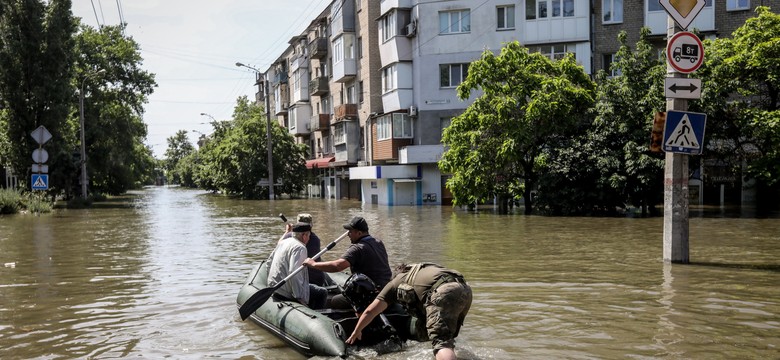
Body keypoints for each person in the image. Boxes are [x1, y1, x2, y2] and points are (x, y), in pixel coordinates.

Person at [345, 263, 472, 360]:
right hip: (465, 289)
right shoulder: (422, 270)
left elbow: (370, 311)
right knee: (446, 338)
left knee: (441, 342)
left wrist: (357, 331)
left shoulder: (395, 283)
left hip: (443, 292)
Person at [303, 216, 391, 309]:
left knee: (335, 301)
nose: (348, 234)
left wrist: (313, 264)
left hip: (368, 293)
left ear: (359, 233)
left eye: (350, 232)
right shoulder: (378, 242)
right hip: (385, 290)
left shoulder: (357, 248)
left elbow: (338, 266)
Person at [267, 222, 328, 309]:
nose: (309, 238)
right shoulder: (300, 247)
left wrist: (271, 285)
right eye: (308, 235)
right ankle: (316, 315)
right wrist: (299, 297)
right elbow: (294, 273)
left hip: (276, 288)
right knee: (322, 292)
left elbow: (269, 263)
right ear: (304, 236)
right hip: (287, 291)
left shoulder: (282, 242)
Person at [281, 213, 325, 286]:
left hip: (306, 280)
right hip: (312, 279)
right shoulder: (315, 239)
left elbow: (279, 245)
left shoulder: (289, 236)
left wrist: (287, 232)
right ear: (311, 225)